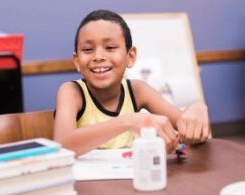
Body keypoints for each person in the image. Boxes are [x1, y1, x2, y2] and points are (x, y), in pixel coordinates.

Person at [54, 9, 210, 156]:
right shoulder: (71, 92)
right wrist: (127, 121)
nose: (98, 56)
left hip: (128, 179)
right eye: (88, 50)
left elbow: (186, 126)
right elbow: (62, 146)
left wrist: (197, 109)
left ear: (131, 56)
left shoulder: (138, 90)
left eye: (110, 47)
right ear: (77, 61)